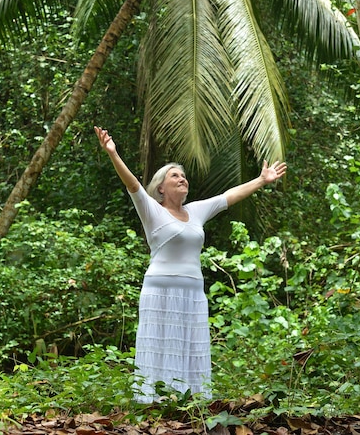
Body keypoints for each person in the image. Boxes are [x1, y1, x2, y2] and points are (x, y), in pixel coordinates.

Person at [94, 125, 287, 403]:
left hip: (193, 293)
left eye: (184, 176)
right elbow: (132, 184)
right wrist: (113, 153)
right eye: (175, 175)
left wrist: (261, 180)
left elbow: (228, 197)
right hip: (159, 291)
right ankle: (154, 403)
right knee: (160, 345)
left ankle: (189, 403)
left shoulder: (196, 211)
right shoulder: (152, 210)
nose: (182, 179)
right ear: (161, 187)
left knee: (189, 346)